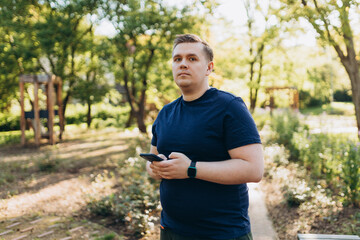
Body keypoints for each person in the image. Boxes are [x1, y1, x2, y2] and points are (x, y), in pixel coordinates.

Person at [146, 34, 264, 240]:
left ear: (209, 68)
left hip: (221, 233)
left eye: (192, 59)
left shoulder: (229, 107)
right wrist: (156, 168)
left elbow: (254, 169)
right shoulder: (165, 113)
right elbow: (151, 162)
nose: (183, 64)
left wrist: (190, 169)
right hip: (171, 231)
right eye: (177, 59)